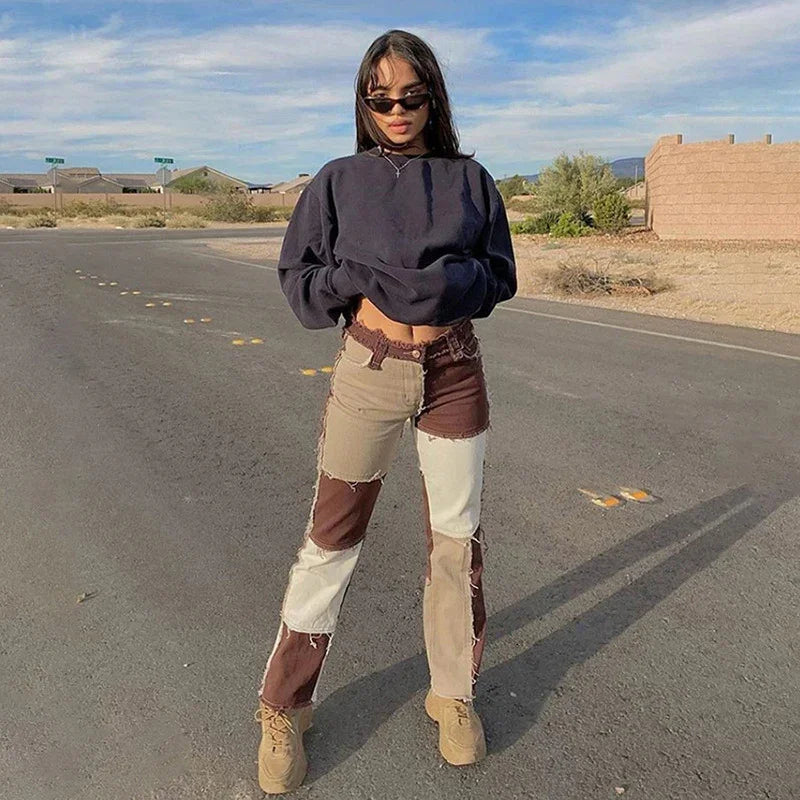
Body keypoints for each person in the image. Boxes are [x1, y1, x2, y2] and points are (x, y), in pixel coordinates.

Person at [254, 29, 517, 794]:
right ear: (363, 103)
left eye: (410, 95)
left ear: (433, 97)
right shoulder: (338, 181)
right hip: (369, 371)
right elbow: (301, 281)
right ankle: (284, 705)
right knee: (331, 539)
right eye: (379, 98)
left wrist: (444, 286)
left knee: (456, 543)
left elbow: (499, 275)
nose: (395, 110)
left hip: (454, 371)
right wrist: (359, 278)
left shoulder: (470, 181)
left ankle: (453, 695)